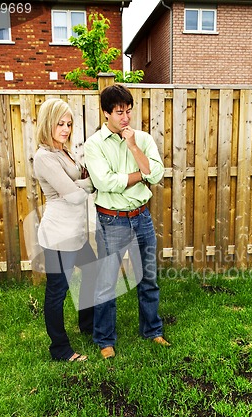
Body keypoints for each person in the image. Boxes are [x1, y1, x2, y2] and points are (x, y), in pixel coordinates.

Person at [84, 83, 170, 359]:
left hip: (141, 216)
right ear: (106, 113)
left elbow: (156, 175)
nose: (125, 117)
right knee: (108, 281)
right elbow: (105, 182)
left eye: (129, 111)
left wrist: (133, 147)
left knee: (148, 277)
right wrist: (139, 175)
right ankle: (105, 340)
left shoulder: (141, 139)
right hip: (112, 220)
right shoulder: (94, 144)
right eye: (119, 112)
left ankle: (153, 331)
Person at [34, 98, 96, 362]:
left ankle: (88, 325)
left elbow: (76, 184)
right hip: (59, 235)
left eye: (69, 124)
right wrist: (89, 185)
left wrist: (81, 184)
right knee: (57, 291)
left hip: (77, 231)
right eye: (60, 123)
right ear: (48, 123)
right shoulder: (44, 157)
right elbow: (72, 195)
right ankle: (60, 349)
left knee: (93, 271)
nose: (66, 129)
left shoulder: (64, 152)